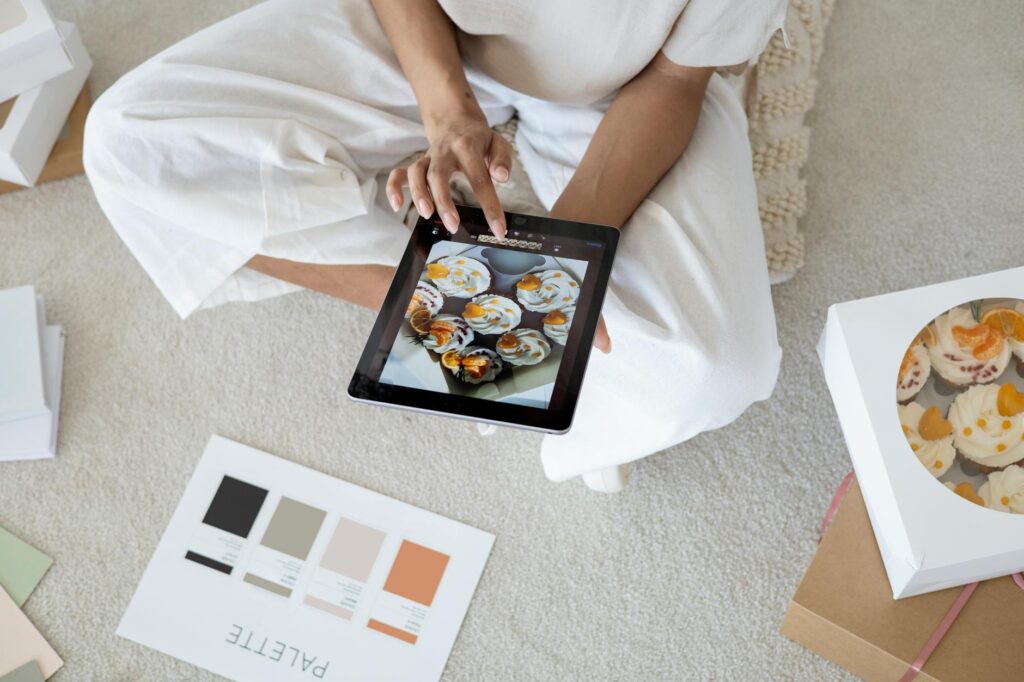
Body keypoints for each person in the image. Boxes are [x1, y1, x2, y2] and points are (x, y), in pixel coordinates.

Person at [84, 0, 785, 491]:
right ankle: (447, 303)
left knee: (710, 371)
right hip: (430, 36)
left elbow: (673, 79)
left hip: (624, 89)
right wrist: (447, 113)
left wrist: (561, 254)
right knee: (128, 143)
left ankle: (469, 306)